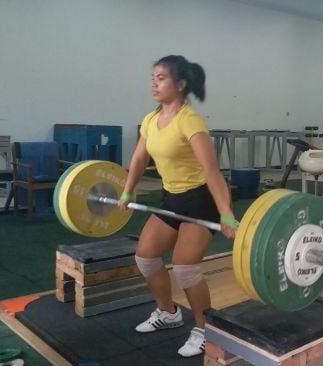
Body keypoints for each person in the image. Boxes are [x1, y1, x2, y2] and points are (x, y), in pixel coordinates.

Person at [118, 55, 237, 357]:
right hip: (171, 198)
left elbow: (211, 170)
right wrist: (128, 191)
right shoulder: (150, 119)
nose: (154, 83)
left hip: (200, 200)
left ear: (180, 84)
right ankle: (168, 313)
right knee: (146, 257)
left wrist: (226, 214)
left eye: (161, 78)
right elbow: (138, 158)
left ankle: (203, 328)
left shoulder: (190, 121)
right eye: (153, 77)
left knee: (185, 268)